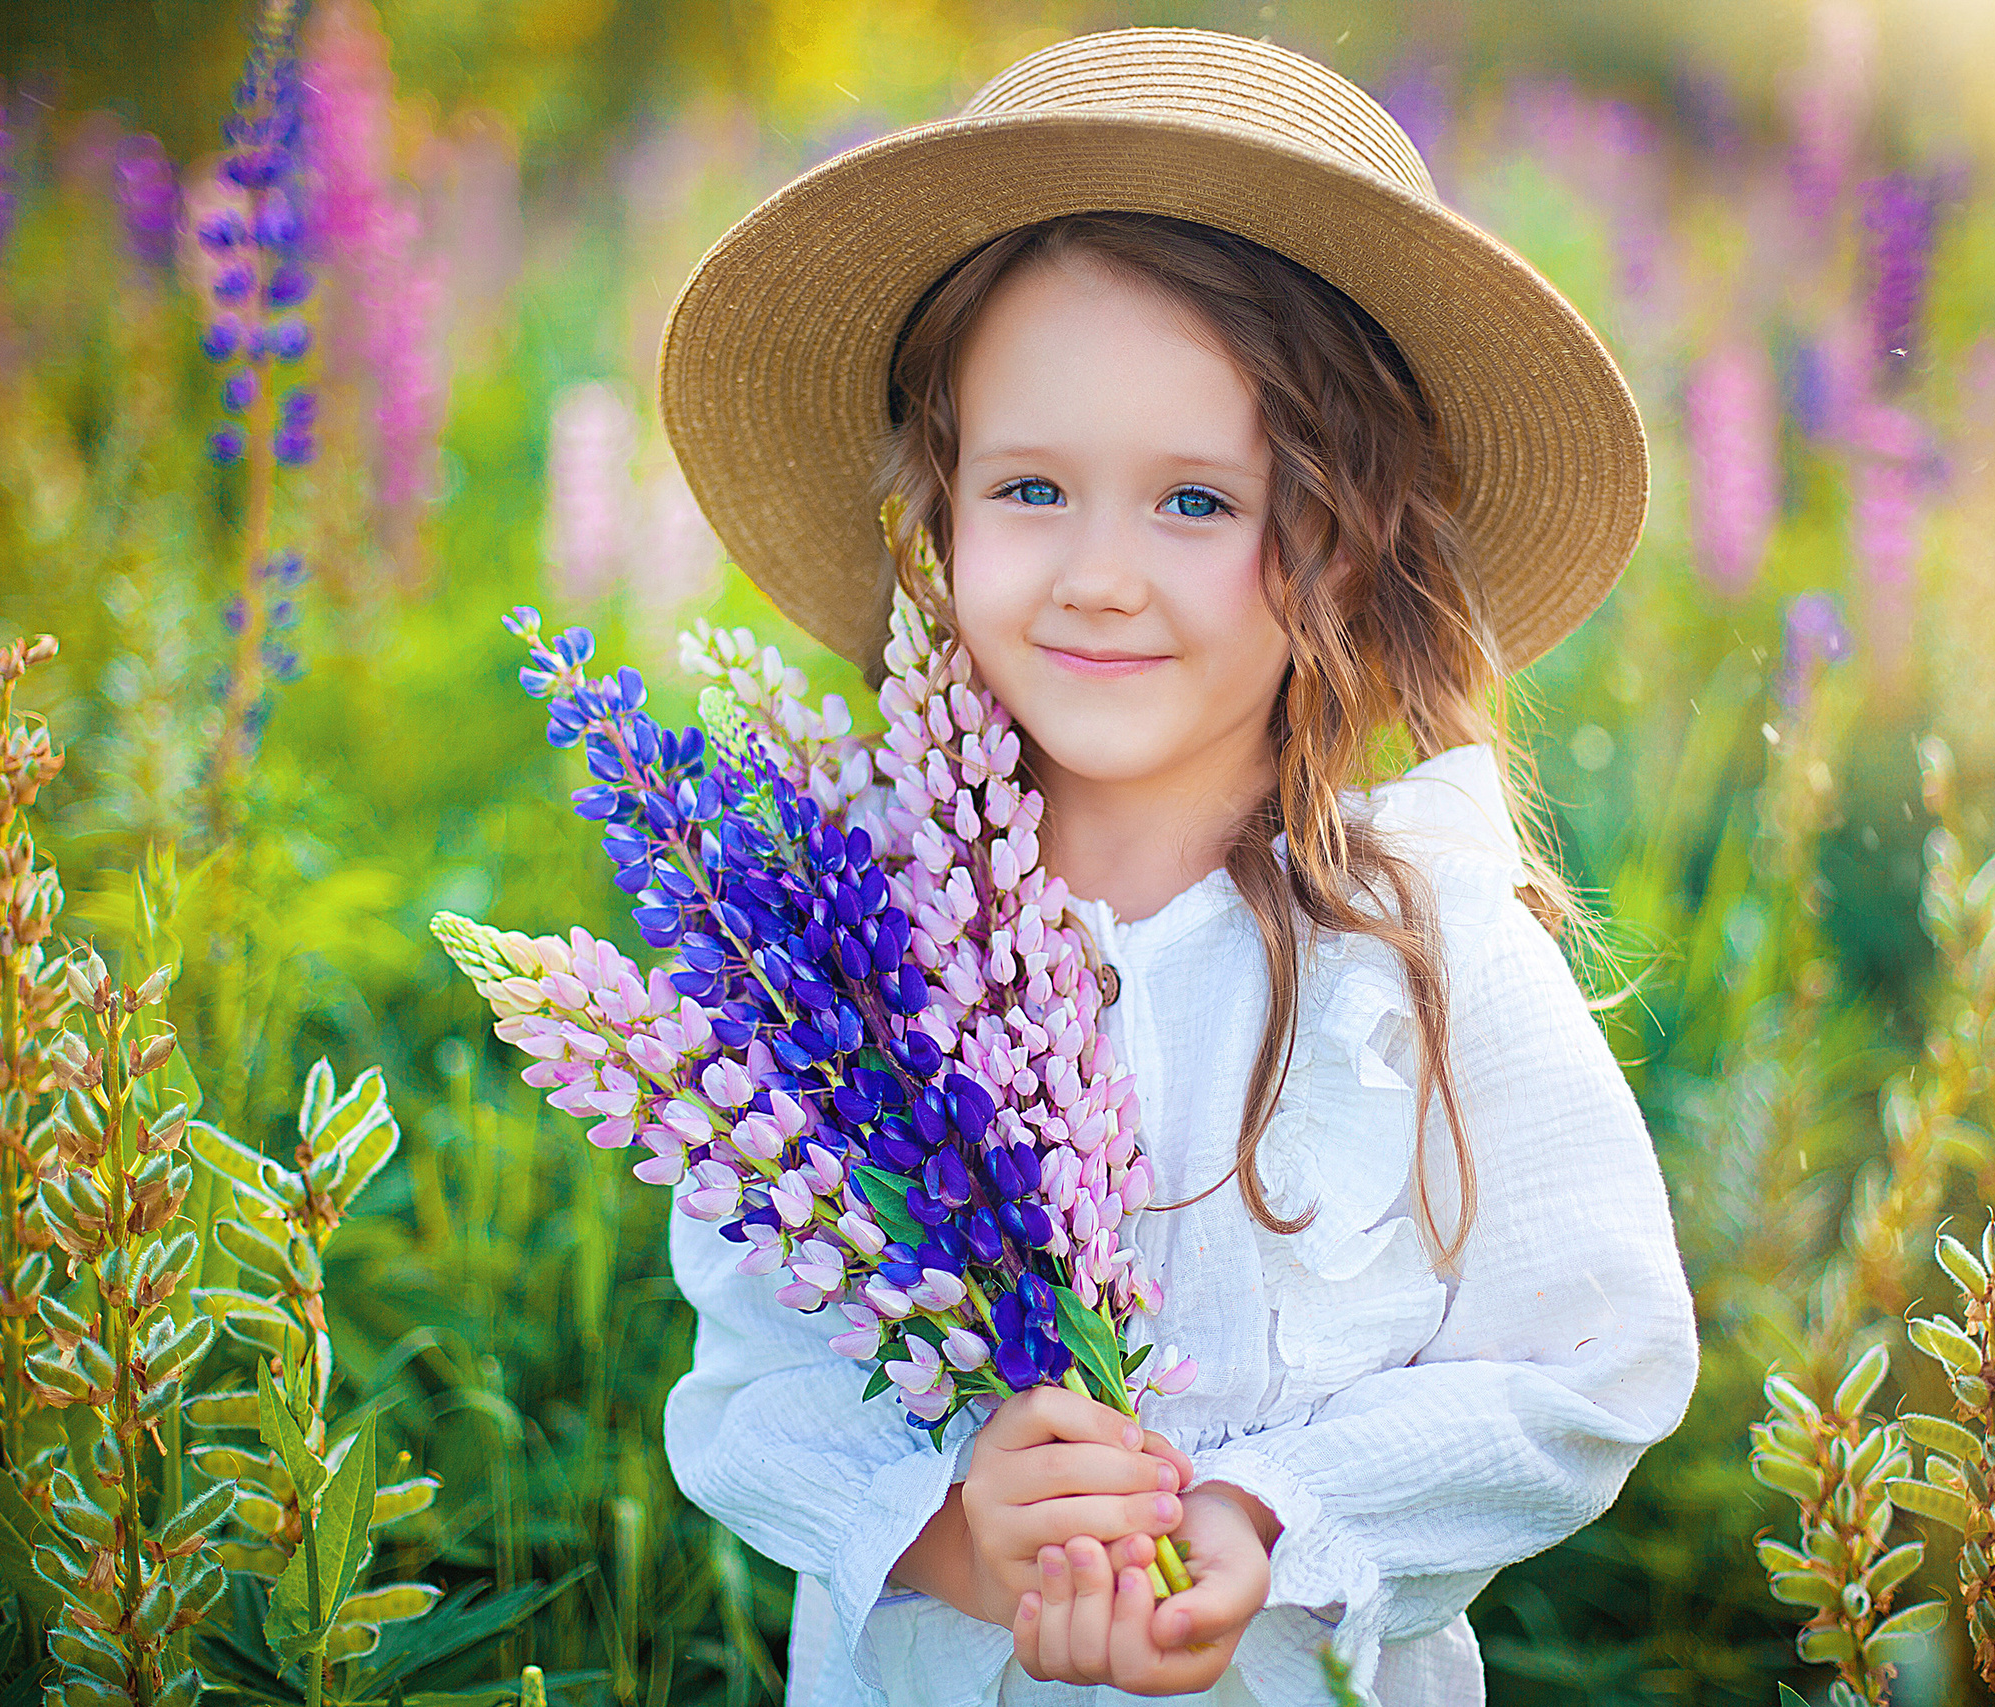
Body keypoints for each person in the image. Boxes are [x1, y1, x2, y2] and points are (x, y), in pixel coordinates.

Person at [653, 27, 1698, 1706]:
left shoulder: (1419, 941)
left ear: (1344, 549)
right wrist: (951, 1534)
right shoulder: (844, 953)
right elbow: (746, 1394)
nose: (1098, 575)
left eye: (1197, 502)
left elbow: (1595, 1361)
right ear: (936, 520)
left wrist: (1270, 1515)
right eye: (1031, 487)